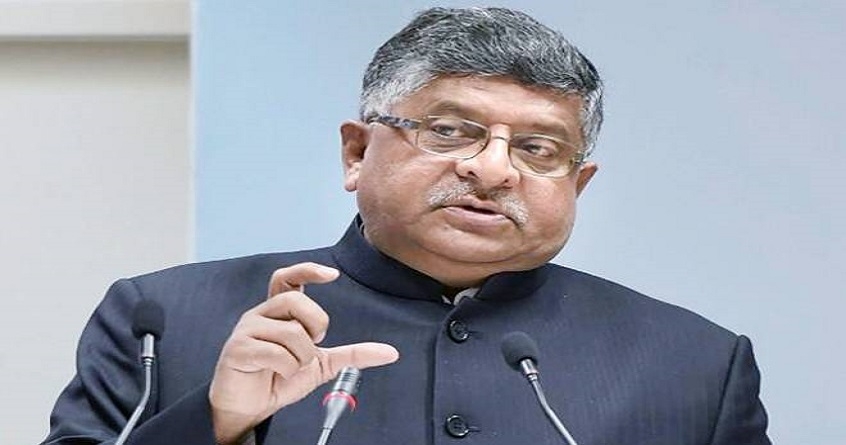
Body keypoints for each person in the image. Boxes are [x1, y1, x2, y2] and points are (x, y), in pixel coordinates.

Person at [42, 7, 770, 445]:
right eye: (450, 131)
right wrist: (214, 423)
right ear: (357, 152)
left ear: (577, 185)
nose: (493, 170)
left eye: (538, 149)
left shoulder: (695, 365)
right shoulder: (165, 321)